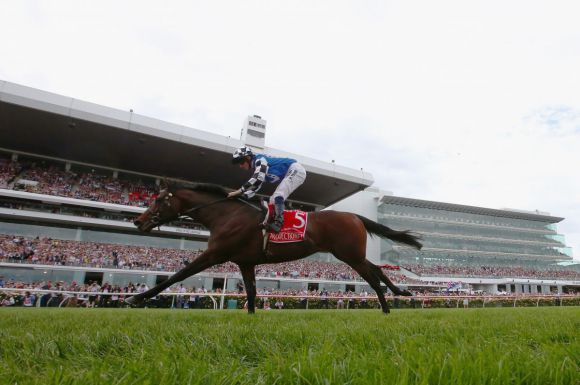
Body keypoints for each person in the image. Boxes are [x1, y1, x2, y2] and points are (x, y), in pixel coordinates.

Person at [228, 146, 307, 232]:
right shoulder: (257, 166)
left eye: (241, 162)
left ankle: (278, 223)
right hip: (292, 171)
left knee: (278, 195)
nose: (240, 166)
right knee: (272, 200)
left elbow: (257, 178)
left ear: (248, 157)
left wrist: (239, 191)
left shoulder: (259, 160)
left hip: (295, 169)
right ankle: (273, 222)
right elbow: (257, 185)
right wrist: (243, 196)